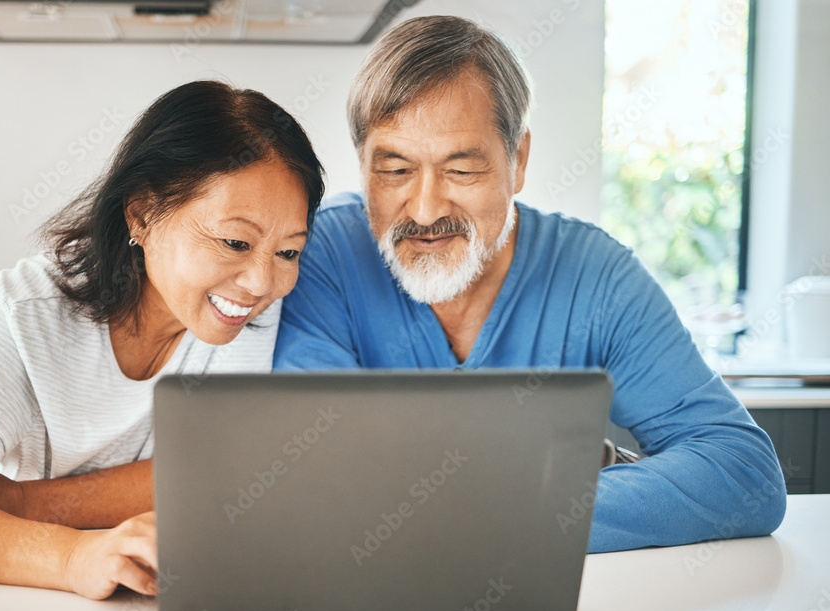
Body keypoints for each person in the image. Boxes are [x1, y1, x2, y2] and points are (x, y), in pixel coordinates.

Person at [273, 15, 787, 553]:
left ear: (517, 161)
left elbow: (742, 471)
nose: (424, 210)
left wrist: (531, 512)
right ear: (362, 166)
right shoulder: (323, 256)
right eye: (395, 170)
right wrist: (544, 480)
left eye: (461, 171)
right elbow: (318, 471)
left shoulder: (596, 275)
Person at [0, 80, 325, 599]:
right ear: (142, 215)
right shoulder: (25, 316)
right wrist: (76, 555)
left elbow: (215, 477)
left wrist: (22, 502)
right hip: (21, 601)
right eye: (236, 242)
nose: (263, 283)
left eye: (289, 252)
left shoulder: (253, 315)